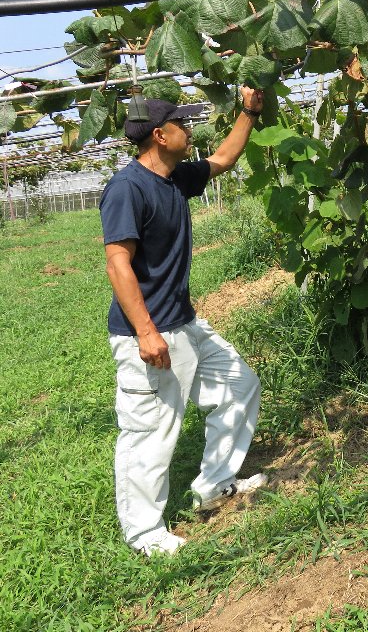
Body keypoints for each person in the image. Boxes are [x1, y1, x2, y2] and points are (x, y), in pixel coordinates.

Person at [100, 89, 267, 556]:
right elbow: (118, 264)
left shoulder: (175, 178)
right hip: (149, 332)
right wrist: (147, 333)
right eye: (183, 124)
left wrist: (250, 111)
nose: (190, 130)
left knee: (240, 386)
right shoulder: (127, 188)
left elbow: (224, 158)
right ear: (160, 134)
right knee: (151, 431)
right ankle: (144, 535)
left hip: (185, 323)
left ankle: (214, 483)